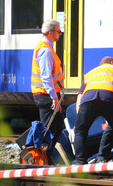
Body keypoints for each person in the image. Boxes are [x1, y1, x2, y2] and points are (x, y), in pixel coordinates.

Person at [73, 56, 113, 164]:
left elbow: (80, 96)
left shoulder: (91, 73)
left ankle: (80, 164)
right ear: (112, 62)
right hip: (110, 98)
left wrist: (79, 119)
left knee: (80, 131)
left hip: (88, 100)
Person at [31, 19, 65, 159]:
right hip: (45, 95)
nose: (60, 34)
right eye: (58, 31)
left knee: (57, 127)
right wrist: (54, 97)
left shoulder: (46, 47)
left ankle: (46, 159)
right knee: (48, 130)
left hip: (48, 94)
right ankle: (42, 159)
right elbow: (46, 77)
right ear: (51, 33)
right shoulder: (46, 50)